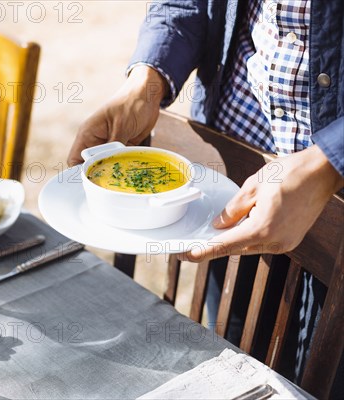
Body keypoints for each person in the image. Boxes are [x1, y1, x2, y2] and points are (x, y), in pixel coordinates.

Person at [67, 0, 343, 394]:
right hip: (225, 185)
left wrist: (329, 163)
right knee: (232, 369)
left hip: (333, 205)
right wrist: (145, 82)